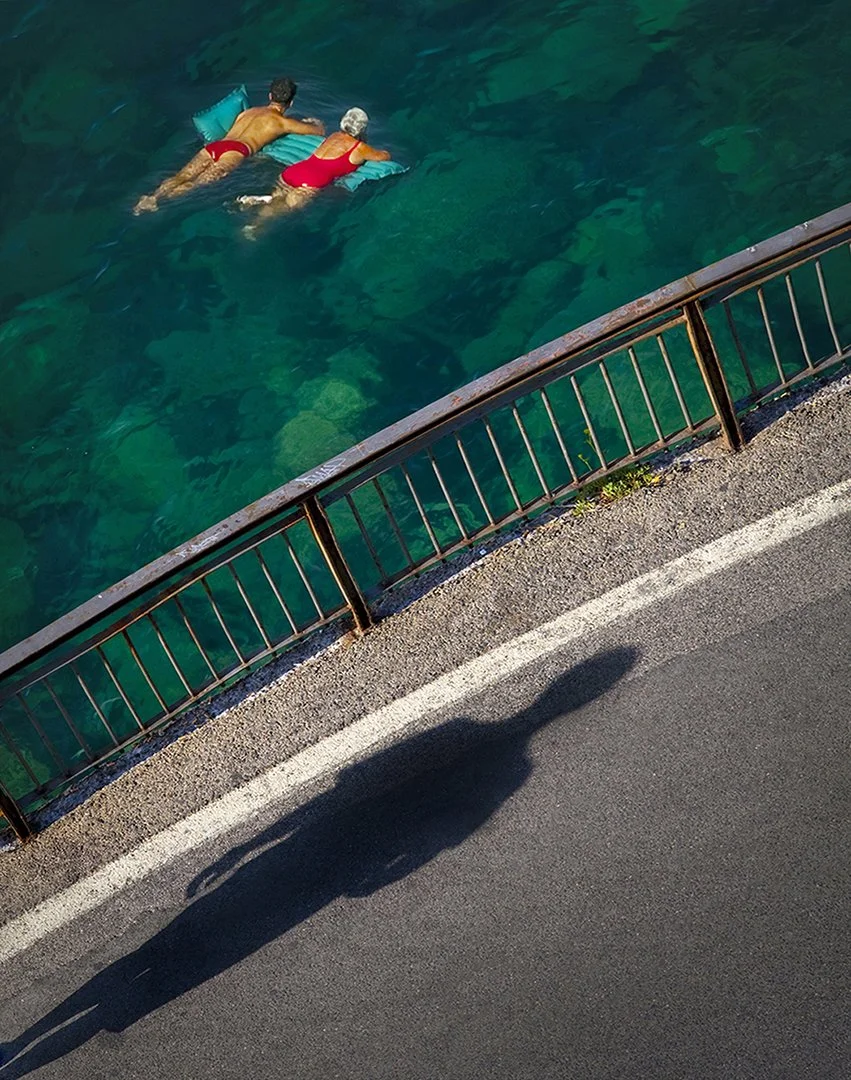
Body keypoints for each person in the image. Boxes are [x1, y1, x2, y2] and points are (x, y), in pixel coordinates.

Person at [133, 77, 325, 214]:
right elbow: (317, 131)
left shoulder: (248, 112)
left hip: (216, 146)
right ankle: (165, 202)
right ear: (291, 102)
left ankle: (152, 197)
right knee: (196, 185)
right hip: (236, 151)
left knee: (182, 176)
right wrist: (315, 122)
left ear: (269, 95)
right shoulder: (281, 122)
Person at [240, 107, 390, 238]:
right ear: (362, 129)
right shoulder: (360, 147)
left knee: (277, 199)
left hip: (294, 171)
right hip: (312, 181)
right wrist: (367, 141)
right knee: (287, 209)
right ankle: (257, 223)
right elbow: (383, 156)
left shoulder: (333, 136)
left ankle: (263, 205)